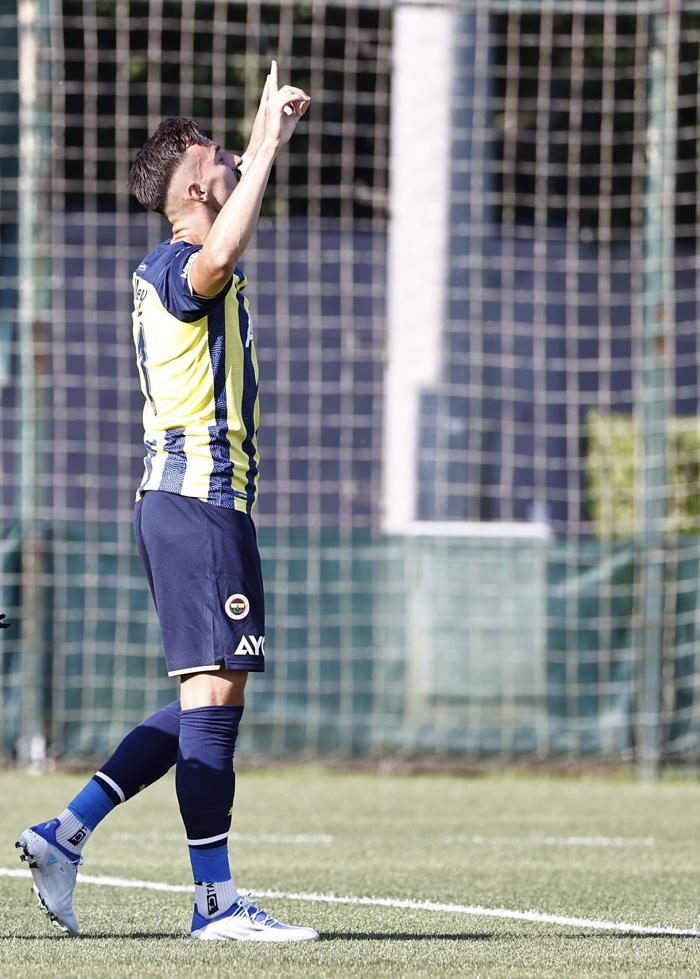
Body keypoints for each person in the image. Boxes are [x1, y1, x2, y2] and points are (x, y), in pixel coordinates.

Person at [17, 62, 316, 943]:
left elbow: (232, 208)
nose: (232, 162)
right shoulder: (185, 262)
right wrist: (265, 144)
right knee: (214, 701)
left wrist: (264, 138)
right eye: (218, 158)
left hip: (185, 507)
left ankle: (66, 832)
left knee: (205, 699)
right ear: (193, 189)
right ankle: (215, 903)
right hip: (199, 503)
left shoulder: (167, 258)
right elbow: (222, 253)